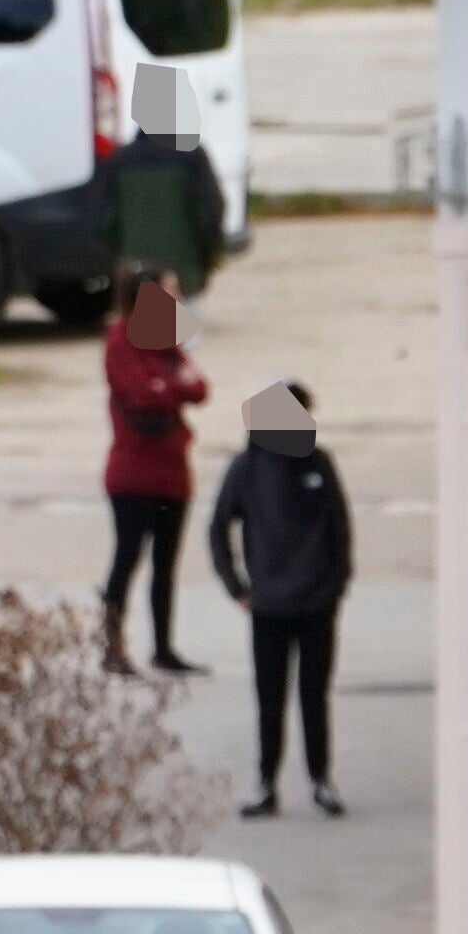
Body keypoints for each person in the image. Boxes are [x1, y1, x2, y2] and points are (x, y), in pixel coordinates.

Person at [208, 378, 355, 817]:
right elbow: (218, 528)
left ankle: (319, 779)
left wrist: (337, 584)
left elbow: (340, 527)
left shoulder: (319, 462)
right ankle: (266, 783)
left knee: (314, 696)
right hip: (268, 606)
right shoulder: (247, 467)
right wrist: (236, 587)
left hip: (316, 603)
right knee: (269, 699)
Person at [97, 272, 208, 676]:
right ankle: (111, 645)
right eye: (170, 291)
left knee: (166, 563)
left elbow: (199, 388)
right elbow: (142, 393)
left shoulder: (168, 340)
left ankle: (163, 646)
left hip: (172, 471)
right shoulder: (121, 340)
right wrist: (170, 387)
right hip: (133, 471)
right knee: (127, 557)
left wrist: (170, 387)